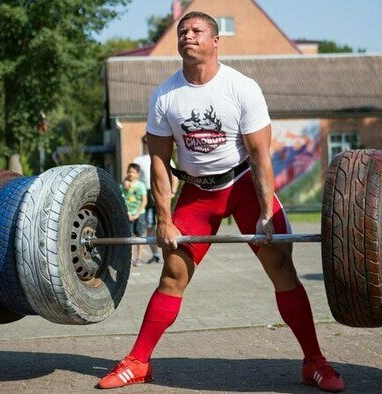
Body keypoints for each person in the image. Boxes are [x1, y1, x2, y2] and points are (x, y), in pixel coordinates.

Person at [97, 12, 344, 392]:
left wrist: (265, 215)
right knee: (173, 273)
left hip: (244, 186)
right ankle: (139, 362)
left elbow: (262, 158)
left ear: (216, 41)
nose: (187, 36)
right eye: (183, 31)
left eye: (196, 31)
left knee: (281, 266)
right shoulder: (164, 94)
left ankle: (314, 361)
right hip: (197, 193)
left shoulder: (242, 88)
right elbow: (160, 164)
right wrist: (164, 219)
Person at [132, 136, 179, 264]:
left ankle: (171, 252)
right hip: (145, 194)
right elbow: (133, 177)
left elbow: (174, 176)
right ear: (144, 143)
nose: (149, 143)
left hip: (162, 193)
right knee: (148, 225)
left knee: (166, 221)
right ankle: (156, 254)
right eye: (146, 141)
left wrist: (173, 191)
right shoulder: (138, 160)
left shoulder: (163, 158)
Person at [119, 163, 148, 267]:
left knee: (140, 236)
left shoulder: (141, 185)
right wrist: (127, 214)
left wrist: (137, 214)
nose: (131, 174)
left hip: (139, 214)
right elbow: (121, 200)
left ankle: (139, 258)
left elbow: (144, 201)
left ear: (138, 174)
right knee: (129, 237)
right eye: (129, 172)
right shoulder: (123, 186)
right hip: (127, 214)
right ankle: (129, 258)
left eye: (133, 172)